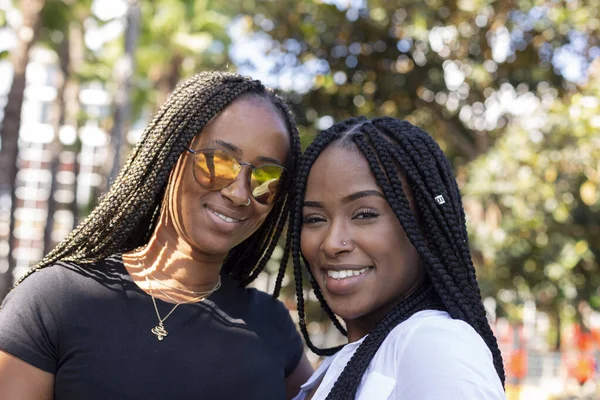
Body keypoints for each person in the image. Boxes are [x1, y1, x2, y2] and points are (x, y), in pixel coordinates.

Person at [0, 71, 313, 400]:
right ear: (171, 155)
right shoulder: (58, 299)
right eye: (218, 162)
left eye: (265, 178)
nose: (239, 193)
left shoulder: (271, 325)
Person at [286, 117, 506, 399]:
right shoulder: (354, 357)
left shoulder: (434, 347)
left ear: (425, 227)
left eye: (364, 214)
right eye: (315, 218)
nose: (331, 243)